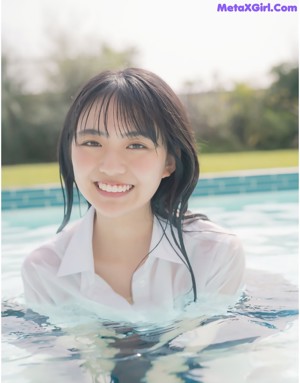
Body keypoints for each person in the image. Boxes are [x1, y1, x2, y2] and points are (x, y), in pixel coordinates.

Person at [21, 68, 245, 314]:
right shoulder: (43, 270)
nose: (111, 167)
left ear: (169, 162)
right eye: (92, 143)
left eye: (136, 145)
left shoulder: (214, 253)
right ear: (70, 152)